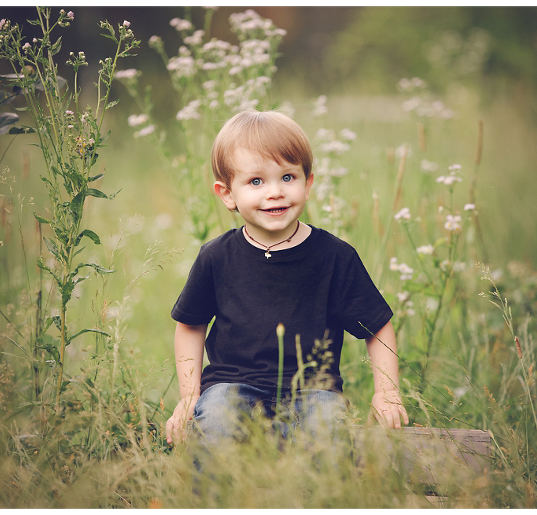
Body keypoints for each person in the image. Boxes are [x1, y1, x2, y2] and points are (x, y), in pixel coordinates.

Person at [166, 110, 409, 447]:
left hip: (314, 390)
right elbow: (190, 325)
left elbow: (377, 326)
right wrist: (189, 396)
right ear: (227, 194)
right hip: (232, 386)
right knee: (217, 421)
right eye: (256, 181)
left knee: (327, 430)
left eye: (287, 177)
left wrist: (387, 394)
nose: (275, 192)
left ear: (308, 184)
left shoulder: (334, 256)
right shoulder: (216, 257)